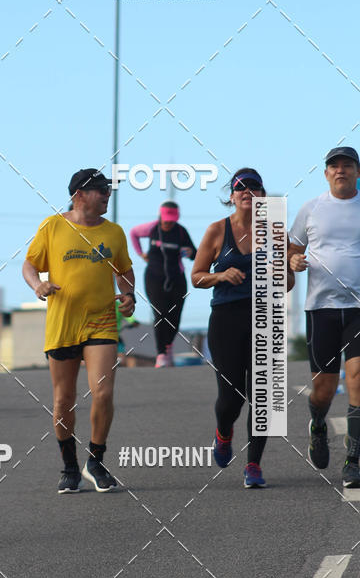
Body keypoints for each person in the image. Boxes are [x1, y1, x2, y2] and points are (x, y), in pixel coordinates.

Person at [22, 169, 135, 493]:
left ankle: (96, 460)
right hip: (62, 323)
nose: (106, 195)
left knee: (103, 391)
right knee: (63, 400)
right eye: (100, 190)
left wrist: (128, 296)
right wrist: (38, 285)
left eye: (108, 190)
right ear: (79, 194)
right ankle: (70, 466)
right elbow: (29, 265)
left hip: (101, 320)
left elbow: (124, 271)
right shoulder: (52, 226)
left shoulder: (114, 233)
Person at [191, 169, 294, 488]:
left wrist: (282, 272)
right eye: (240, 187)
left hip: (266, 316)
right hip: (226, 317)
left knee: (263, 398)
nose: (248, 191)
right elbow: (196, 277)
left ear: (263, 196)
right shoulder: (216, 231)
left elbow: (289, 283)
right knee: (231, 395)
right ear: (232, 196)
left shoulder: (276, 231)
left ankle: (253, 464)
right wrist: (220, 276)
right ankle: (223, 433)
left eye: (255, 186)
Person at [289, 146, 360, 488]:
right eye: (335, 166)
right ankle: (317, 423)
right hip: (322, 309)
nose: (341, 170)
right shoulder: (311, 209)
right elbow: (292, 247)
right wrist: (293, 262)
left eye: (348, 165)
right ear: (327, 173)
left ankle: (354, 461)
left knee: (358, 378)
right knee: (324, 389)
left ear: (357, 172)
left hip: (359, 309)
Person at [130, 201, 196, 366]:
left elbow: (195, 253)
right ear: (160, 216)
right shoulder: (152, 228)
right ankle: (161, 353)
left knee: (174, 316)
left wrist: (190, 252)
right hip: (154, 278)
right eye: (166, 219)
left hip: (177, 280)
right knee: (160, 313)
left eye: (172, 219)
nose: (168, 222)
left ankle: (168, 346)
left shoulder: (181, 232)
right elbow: (133, 233)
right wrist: (141, 254)